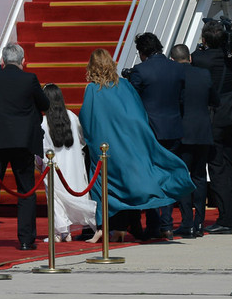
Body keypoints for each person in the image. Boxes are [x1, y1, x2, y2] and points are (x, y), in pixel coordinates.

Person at [80, 49, 194, 243]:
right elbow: (138, 114)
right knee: (129, 184)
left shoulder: (92, 89)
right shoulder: (124, 85)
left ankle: (106, 228)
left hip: (105, 148)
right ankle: (129, 227)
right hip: (129, 144)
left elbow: (88, 120)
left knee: (103, 187)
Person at [0, 43, 49, 251]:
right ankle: (26, 239)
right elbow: (45, 104)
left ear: (3, 60)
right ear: (22, 61)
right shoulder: (29, 79)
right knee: (25, 191)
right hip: (22, 142)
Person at [192, 21, 232, 235]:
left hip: (214, 118)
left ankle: (226, 219)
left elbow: (194, 57)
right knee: (230, 167)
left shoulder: (200, 58)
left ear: (205, 39)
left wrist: (203, 45)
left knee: (217, 169)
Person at [127, 32, 185, 239]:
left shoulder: (140, 71)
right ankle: (167, 225)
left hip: (150, 131)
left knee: (150, 177)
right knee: (168, 176)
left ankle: (153, 225)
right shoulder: (177, 68)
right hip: (174, 129)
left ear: (143, 52)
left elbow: (132, 101)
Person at [170, 44, 219, 238]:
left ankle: (187, 223)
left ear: (173, 60)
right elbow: (215, 100)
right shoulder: (204, 74)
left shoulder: (174, 76)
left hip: (182, 132)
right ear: (190, 58)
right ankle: (199, 222)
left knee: (183, 177)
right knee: (199, 177)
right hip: (202, 132)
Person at [40, 83, 96, 242]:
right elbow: (82, 139)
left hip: (55, 166)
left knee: (55, 197)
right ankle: (68, 230)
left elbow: (43, 148)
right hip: (73, 164)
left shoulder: (43, 122)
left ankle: (61, 231)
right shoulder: (71, 116)